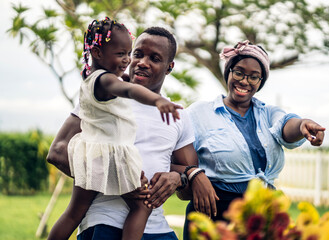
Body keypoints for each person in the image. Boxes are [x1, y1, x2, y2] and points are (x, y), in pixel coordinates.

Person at [47, 26, 218, 240]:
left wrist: (182, 177)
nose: (142, 62)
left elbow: (185, 190)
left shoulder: (178, 115)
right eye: (138, 54)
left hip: (158, 229)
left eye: (154, 58)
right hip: (105, 223)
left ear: (169, 67)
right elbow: (58, 152)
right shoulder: (107, 99)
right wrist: (118, 180)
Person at [182, 40, 326, 239]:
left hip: (261, 215)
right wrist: (194, 174)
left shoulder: (267, 113)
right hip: (214, 213)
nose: (244, 81)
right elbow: (176, 155)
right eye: (239, 72)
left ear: (261, 82)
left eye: (254, 77)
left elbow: (286, 125)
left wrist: (303, 126)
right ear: (229, 72)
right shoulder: (199, 113)